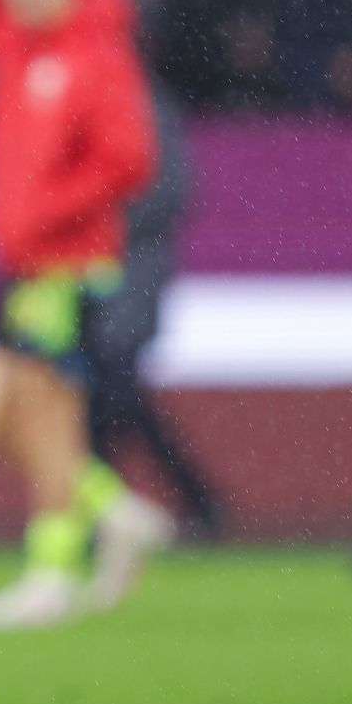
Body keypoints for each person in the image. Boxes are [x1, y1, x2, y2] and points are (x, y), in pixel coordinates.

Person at [0, 0, 174, 631]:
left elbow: (132, 161)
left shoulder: (98, 51)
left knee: (43, 415)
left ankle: (52, 570)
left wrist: (46, 212)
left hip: (68, 265)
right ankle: (114, 511)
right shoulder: (11, 38)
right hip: (26, 264)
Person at [85, 94, 225, 542]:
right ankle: (193, 502)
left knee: (112, 393)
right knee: (111, 395)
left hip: (133, 274)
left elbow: (169, 191)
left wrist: (97, 213)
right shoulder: (126, 101)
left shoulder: (144, 105)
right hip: (103, 275)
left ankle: (113, 511)